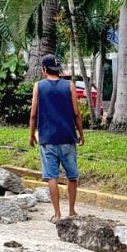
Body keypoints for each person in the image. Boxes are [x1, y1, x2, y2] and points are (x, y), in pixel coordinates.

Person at [28, 54, 84, 223]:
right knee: (71, 176)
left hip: (47, 139)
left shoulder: (38, 86)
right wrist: (81, 133)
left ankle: (57, 214)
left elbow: (33, 114)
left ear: (44, 70)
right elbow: (76, 112)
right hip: (67, 137)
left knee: (52, 177)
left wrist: (31, 135)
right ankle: (72, 211)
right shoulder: (70, 85)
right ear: (58, 69)